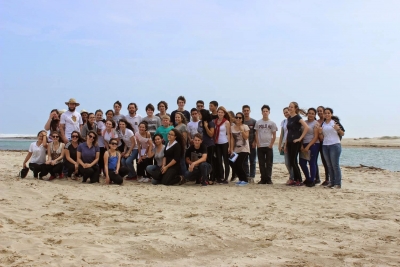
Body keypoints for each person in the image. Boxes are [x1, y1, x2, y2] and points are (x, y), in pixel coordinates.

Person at [318, 108, 345, 189]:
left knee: (335, 165)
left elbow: (342, 133)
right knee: (329, 165)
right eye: (325, 113)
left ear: (331, 114)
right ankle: (331, 182)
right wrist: (319, 132)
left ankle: (337, 184)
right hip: (325, 145)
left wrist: (338, 129)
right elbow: (322, 137)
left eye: (328, 113)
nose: (327, 114)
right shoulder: (323, 124)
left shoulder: (335, 122)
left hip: (335, 145)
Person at [284, 102, 309, 186]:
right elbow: (288, 132)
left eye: (291, 107)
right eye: (289, 107)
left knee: (294, 161)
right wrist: (285, 144)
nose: (290, 108)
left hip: (295, 142)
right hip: (290, 142)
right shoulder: (289, 118)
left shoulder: (297, 117)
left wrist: (300, 138)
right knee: (291, 161)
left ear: (295, 108)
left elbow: (306, 127)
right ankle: (294, 179)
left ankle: (299, 180)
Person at [255, 105, 278, 184]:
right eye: (263, 111)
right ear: (261, 112)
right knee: (261, 163)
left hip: (268, 145)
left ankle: (268, 179)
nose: (265, 113)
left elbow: (274, 135)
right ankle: (263, 179)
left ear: (269, 112)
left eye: (266, 111)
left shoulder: (272, 123)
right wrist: (258, 143)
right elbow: (256, 134)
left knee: (269, 163)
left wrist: (271, 144)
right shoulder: (258, 122)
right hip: (260, 146)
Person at [299, 108, 320, 187]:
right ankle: (307, 178)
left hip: (313, 144)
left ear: (315, 115)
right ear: (307, 114)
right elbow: (301, 134)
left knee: (312, 162)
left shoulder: (316, 123)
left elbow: (316, 137)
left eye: (312, 113)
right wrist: (301, 145)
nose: (311, 115)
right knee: (302, 162)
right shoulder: (304, 123)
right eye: (309, 113)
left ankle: (312, 180)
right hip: (303, 143)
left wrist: (308, 146)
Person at [230, 112, 250, 186]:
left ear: (242, 119)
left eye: (240, 118)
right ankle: (240, 179)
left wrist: (242, 130)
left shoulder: (245, 126)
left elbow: (246, 137)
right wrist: (231, 149)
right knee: (232, 162)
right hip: (236, 148)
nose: (238, 119)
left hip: (244, 148)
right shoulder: (232, 127)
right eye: (237, 117)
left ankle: (245, 180)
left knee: (239, 164)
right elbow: (232, 139)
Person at [198, 109, 216, 184]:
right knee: (204, 161)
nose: (198, 115)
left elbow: (211, 134)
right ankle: (205, 177)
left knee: (210, 161)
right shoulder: (200, 123)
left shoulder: (210, 123)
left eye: (200, 114)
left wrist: (206, 127)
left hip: (210, 145)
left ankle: (212, 178)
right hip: (202, 144)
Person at [214, 106, 231, 184]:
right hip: (217, 143)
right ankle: (221, 176)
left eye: (221, 112)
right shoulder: (215, 121)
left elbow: (229, 135)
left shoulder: (226, 122)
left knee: (226, 161)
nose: (220, 114)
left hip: (224, 143)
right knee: (219, 161)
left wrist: (230, 146)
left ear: (224, 113)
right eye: (219, 112)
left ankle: (226, 178)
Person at [277, 107, 294, 184]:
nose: (286, 114)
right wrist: (280, 144)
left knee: (292, 162)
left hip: (291, 143)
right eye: (284, 113)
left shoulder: (293, 120)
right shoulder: (284, 122)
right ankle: (291, 176)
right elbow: (282, 134)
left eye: (287, 112)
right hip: (284, 144)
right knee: (287, 162)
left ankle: (292, 178)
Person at [242, 105, 257, 180]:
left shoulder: (254, 121)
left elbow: (256, 133)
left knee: (252, 161)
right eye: (245, 111)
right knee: (244, 161)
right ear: (242, 111)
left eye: (247, 110)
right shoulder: (241, 121)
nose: (246, 112)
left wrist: (255, 142)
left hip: (251, 144)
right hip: (243, 145)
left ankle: (252, 176)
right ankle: (246, 175)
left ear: (250, 111)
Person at [316, 106, 329, 185]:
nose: (319, 112)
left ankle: (327, 179)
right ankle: (316, 178)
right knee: (314, 161)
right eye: (318, 111)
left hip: (325, 143)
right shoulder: (316, 121)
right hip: (317, 143)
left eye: (321, 111)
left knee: (325, 161)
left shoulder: (326, 121)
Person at [95, 109, 106, 175]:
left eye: (100, 115)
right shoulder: (93, 122)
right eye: (97, 115)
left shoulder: (102, 123)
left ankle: (102, 171)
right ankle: (98, 171)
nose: (99, 116)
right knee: (97, 158)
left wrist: (97, 132)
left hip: (102, 143)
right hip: (95, 144)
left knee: (101, 159)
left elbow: (101, 132)